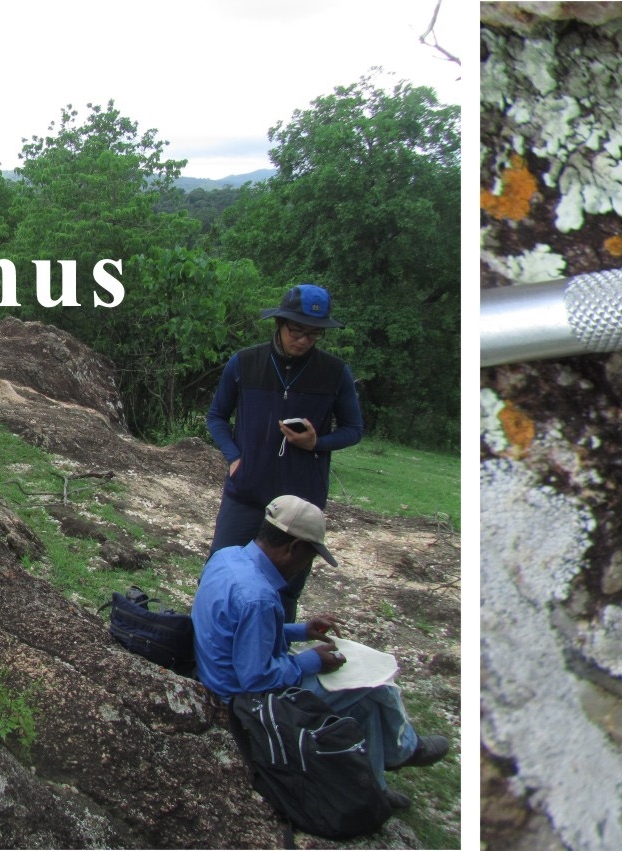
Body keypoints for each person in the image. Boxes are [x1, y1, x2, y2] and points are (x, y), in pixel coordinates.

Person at [192, 495, 451, 803]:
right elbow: (257, 679)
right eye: (310, 558)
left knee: (367, 698)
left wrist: (302, 630)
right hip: (243, 700)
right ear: (294, 548)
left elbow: (241, 632)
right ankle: (402, 752)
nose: (306, 566)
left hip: (216, 672)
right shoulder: (259, 597)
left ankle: (378, 782)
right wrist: (309, 661)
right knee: (376, 687)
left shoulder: (228, 557)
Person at [206, 283, 365, 621]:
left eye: (314, 334)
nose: (304, 340)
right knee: (222, 568)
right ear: (279, 323)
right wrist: (234, 457)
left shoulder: (336, 373)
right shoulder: (244, 363)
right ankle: (205, 648)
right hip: (246, 490)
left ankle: (274, 655)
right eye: (297, 330)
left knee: (284, 588)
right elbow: (217, 415)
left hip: (301, 502)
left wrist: (316, 443)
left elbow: (354, 429)